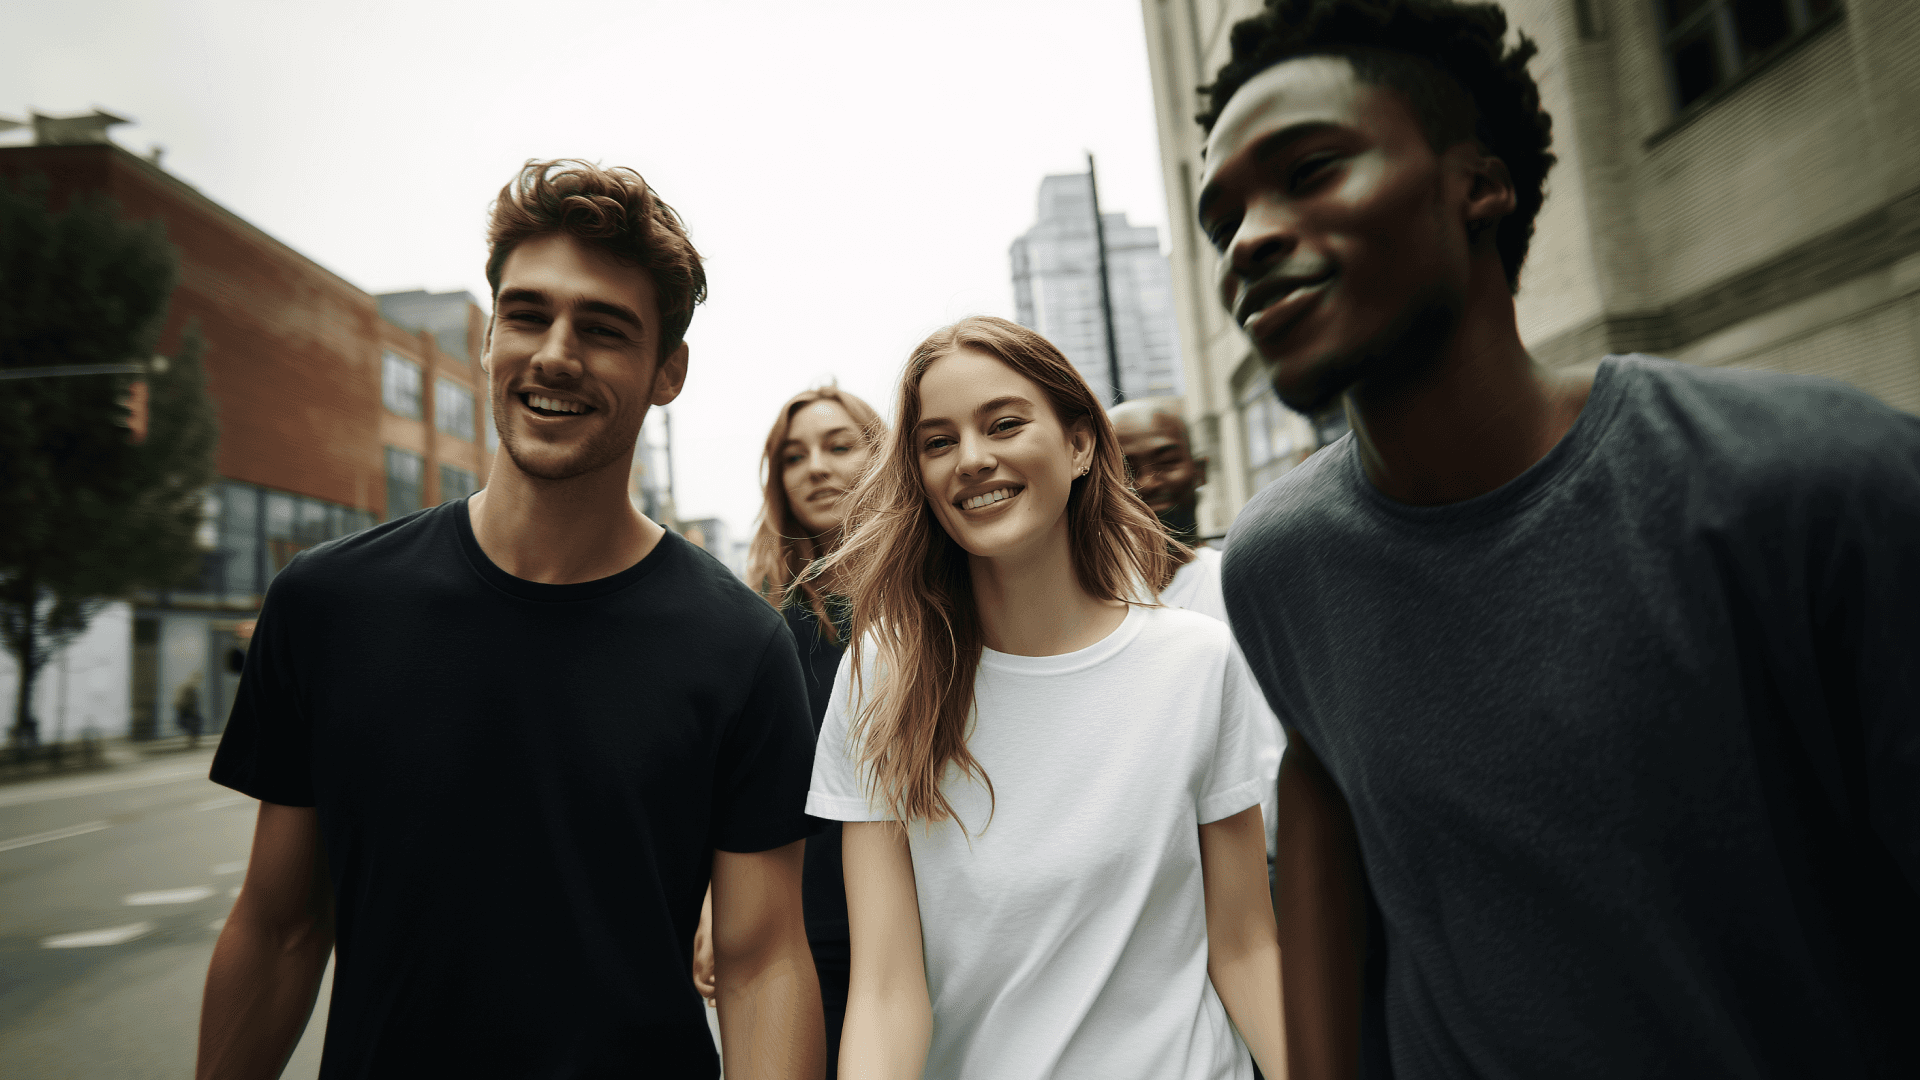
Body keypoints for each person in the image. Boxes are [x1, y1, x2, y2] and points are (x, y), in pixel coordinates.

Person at [1194, 2, 1920, 1078]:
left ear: (1477, 184)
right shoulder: (1276, 566)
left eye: (1310, 169)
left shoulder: (1815, 484)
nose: (1248, 240)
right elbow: (1332, 831)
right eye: (1225, 219)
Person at [197, 160, 824, 1080]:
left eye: (605, 329)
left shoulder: (738, 646)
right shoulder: (327, 605)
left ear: (668, 372)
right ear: (491, 339)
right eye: (528, 315)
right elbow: (282, 926)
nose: (557, 354)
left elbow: (763, 959)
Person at [808, 315, 1283, 1079]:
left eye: (1003, 423)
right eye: (938, 441)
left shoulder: (1195, 660)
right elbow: (888, 991)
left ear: (1080, 444)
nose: (971, 459)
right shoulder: (882, 677)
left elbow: (1246, 945)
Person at [693, 385, 886, 1076]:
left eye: (839, 446)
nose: (816, 467)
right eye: (794, 456)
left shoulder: (940, 598)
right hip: (810, 918)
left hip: (942, 911)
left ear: (882, 454)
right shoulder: (761, 619)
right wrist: (716, 906)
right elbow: (730, 778)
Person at [1113, 396, 1284, 883]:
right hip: (1166, 877)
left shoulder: (1246, 581)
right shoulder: (1088, 612)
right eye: (1128, 468)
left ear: (1200, 469)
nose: (1149, 482)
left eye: (1166, 460)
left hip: (1276, 859)